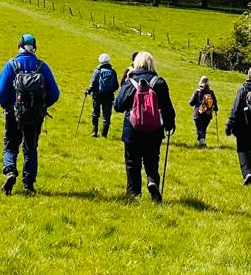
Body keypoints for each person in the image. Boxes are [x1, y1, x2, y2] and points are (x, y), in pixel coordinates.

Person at [0, 33, 60, 195]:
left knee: (10, 145)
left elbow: (1, 92)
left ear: (19, 47)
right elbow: (55, 93)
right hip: (35, 116)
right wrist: (42, 106)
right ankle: (28, 184)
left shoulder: (11, 65)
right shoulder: (42, 66)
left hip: (13, 113)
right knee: (30, 148)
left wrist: (7, 107)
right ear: (35, 48)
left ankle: (10, 171)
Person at [114, 51, 176, 202]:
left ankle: (133, 194)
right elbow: (167, 108)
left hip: (132, 129)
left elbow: (118, 105)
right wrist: (169, 124)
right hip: (154, 130)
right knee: (152, 160)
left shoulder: (131, 82)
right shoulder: (159, 82)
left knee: (132, 162)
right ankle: (152, 181)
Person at [85, 52, 119, 137]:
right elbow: (116, 85)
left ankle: (94, 131)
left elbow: (93, 84)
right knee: (106, 116)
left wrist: (88, 91)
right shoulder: (112, 71)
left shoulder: (98, 71)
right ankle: (104, 134)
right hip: (109, 96)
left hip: (97, 95)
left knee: (95, 113)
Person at [188, 76, 218, 147]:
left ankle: (202, 143)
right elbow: (215, 103)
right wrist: (215, 109)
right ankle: (202, 143)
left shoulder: (197, 92)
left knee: (200, 129)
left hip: (198, 114)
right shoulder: (211, 92)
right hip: (208, 115)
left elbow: (191, 103)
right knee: (203, 129)